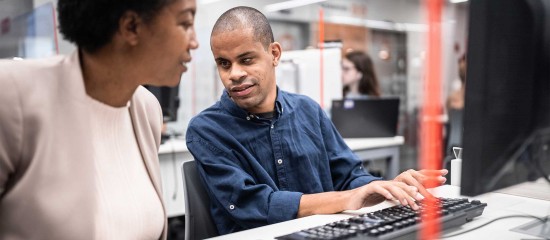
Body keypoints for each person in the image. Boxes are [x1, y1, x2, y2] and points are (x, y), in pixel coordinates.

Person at [185, 6, 447, 235]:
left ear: (274, 54)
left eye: (246, 60)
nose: (235, 74)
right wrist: (347, 199)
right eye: (224, 63)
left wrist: (384, 188)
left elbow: (349, 177)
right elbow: (253, 204)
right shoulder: (207, 131)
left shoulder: (308, 111)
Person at [0, 0, 198, 239]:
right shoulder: (11, 95)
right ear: (131, 27)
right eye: (185, 23)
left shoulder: (146, 110)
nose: (194, 42)